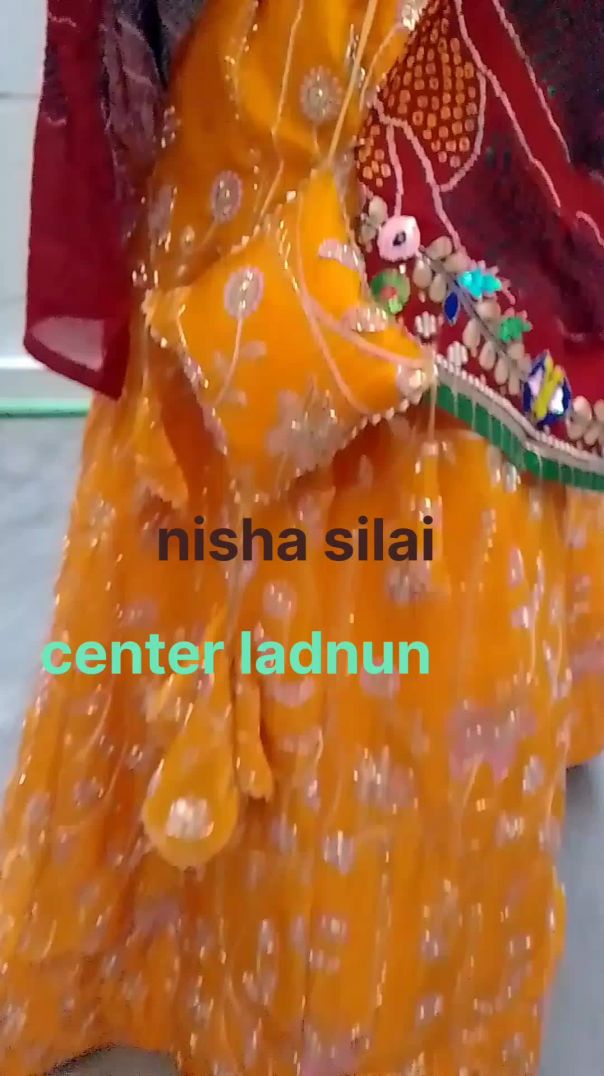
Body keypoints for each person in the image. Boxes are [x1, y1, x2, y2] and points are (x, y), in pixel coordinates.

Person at [1, 0, 603, 1073]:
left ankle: (351, 998)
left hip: (438, 123)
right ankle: (175, 941)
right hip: (236, 113)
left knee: (421, 551)